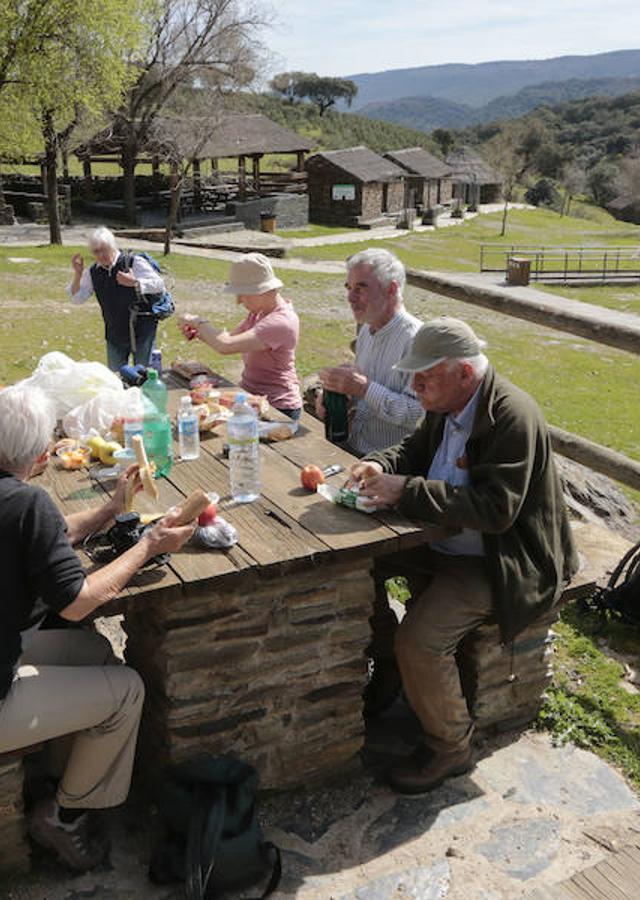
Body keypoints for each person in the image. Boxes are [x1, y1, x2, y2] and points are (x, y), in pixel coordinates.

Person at [0, 385, 195, 871]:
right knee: (127, 689)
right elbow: (76, 602)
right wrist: (149, 547)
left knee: (93, 651)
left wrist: (113, 508)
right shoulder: (26, 503)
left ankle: (58, 776)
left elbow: (46, 533)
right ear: (41, 454)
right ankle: (65, 816)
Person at [346, 317, 577, 794]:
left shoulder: (511, 416)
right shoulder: (449, 400)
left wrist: (405, 490)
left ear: (464, 374)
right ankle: (391, 669)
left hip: (500, 559)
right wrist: (380, 464)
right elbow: (414, 448)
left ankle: (450, 748)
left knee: (422, 643)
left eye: (425, 377)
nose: (415, 386)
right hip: (446, 543)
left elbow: (497, 512)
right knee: (352, 569)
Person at [317, 248, 424, 455]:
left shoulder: (417, 340)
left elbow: (420, 416)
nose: (350, 297)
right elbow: (362, 392)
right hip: (351, 449)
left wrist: (365, 389)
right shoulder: (367, 327)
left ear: (391, 289)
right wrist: (336, 394)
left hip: (388, 466)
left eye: (361, 288)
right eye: (349, 288)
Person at [178, 253, 303, 420]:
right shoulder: (259, 313)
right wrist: (199, 333)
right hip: (251, 399)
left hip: (278, 408)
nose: (238, 301)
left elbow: (226, 345)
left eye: (242, 293)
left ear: (261, 290)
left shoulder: (281, 321)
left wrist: (197, 321)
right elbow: (229, 338)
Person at [68, 226, 166, 371]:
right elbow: (77, 298)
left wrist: (135, 283)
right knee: (116, 381)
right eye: (96, 251)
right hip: (115, 334)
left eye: (104, 249)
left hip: (142, 331)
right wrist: (77, 274)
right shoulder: (93, 272)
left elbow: (160, 285)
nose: (101, 255)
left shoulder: (133, 262)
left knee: (145, 378)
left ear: (113, 246)